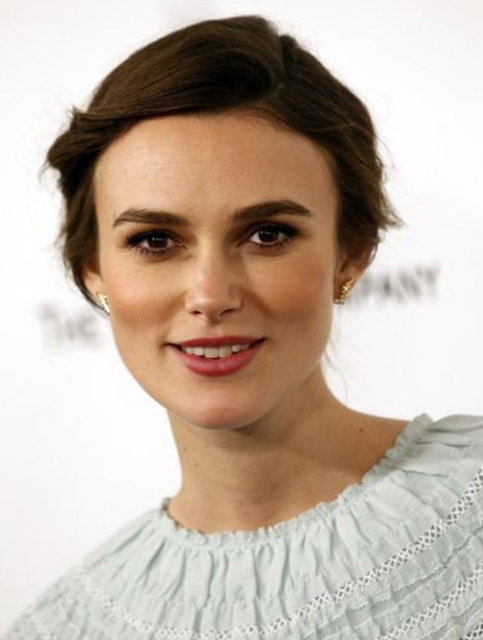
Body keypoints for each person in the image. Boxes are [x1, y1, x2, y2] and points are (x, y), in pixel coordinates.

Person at [5, 14, 483, 639]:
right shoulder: (63, 628)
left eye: (267, 234)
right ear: (93, 271)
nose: (210, 296)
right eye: (155, 240)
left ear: (351, 253)